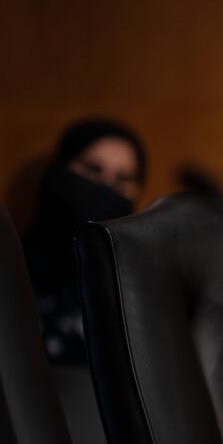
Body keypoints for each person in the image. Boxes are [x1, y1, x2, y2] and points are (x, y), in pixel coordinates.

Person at [23, 118, 147, 363]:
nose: (105, 188)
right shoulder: (11, 268)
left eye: (121, 181)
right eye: (92, 171)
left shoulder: (136, 289)